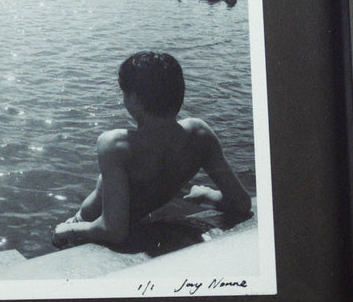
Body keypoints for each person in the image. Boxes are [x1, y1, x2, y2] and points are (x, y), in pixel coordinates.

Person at [53, 51, 252, 247]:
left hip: (91, 226)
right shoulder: (200, 134)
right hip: (139, 223)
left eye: (125, 92)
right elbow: (241, 203)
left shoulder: (116, 145)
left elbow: (113, 231)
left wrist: (70, 229)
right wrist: (208, 196)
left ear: (134, 98)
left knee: (57, 238)